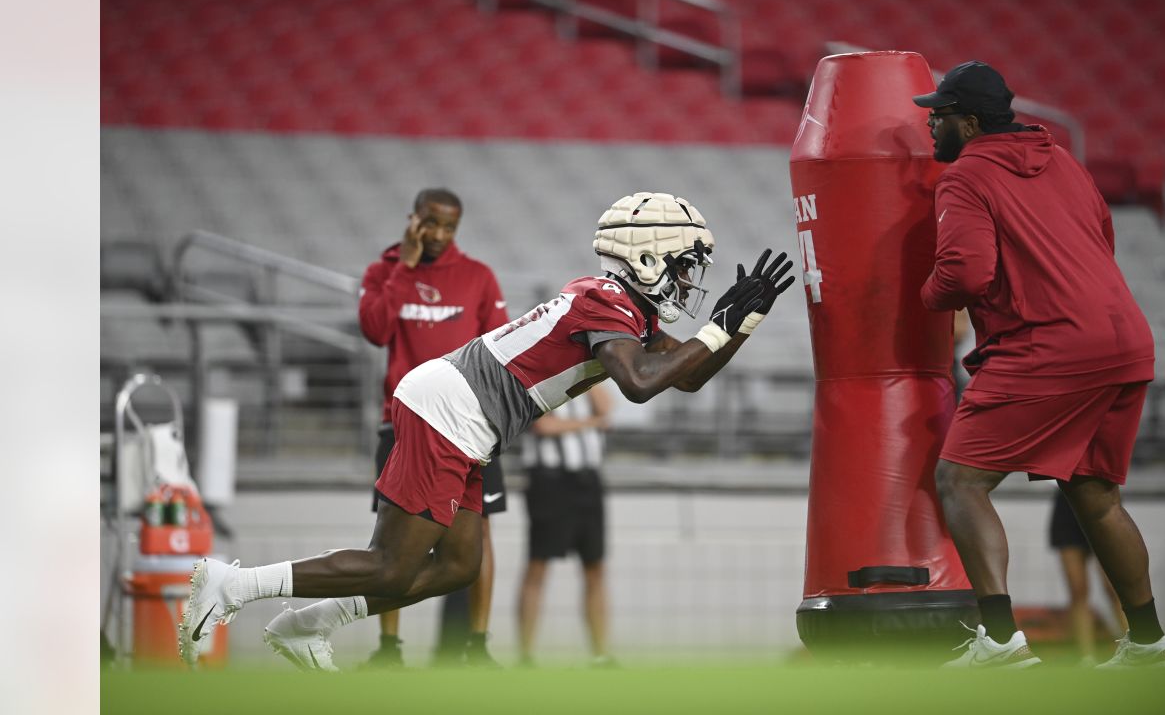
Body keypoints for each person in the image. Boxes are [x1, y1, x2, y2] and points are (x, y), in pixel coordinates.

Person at [176, 191, 794, 671]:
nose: (691, 279)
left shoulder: (621, 302)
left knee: (458, 567)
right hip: (449, 408)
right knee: (392, 566)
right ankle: (232, 585)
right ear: (648, 257)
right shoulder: (608, 299)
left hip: (469, 421)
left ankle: (306, 625)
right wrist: (716, 328)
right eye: (686, 265)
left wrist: (740, 327)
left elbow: (683, 376)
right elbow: (639, 381)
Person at [911, 61, 1165, 669]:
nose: (931, 125)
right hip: (1124, 338)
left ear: (970, 121)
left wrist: (919, 296)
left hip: (1048, 344)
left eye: (940, 115)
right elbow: (1100, 242)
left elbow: (964, 274)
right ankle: (1148, 643)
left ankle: (1001, 641)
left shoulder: (965, 177)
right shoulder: (1064, 160)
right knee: (1095, 495)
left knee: (959, 480)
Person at [356, 187, 510, 668]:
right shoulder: (383, 272)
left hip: (471, 428)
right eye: (432, 224)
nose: (440, 235)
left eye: (449, 226)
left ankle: (477, 648)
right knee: (391, 540)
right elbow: (376, 330)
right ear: (414, 220)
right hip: (402, 424)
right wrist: (405, 265)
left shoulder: (478, 277)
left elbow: (499, 351)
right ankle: (388, 652)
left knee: (479, 536)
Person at [516, 385, 614, 667]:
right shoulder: (540, 382)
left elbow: (606, 407)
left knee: (595, 566)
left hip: (588, 481)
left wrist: (593, 378)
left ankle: (600, 655)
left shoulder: (588, 378)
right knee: (538, 565)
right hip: (550, 481)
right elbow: (544, 426)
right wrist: (590, 423)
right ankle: (526, 655)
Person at [1049, 489, 1127, 666]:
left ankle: (1136, 648)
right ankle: (1086, 657)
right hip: (1067, 505)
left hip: (1104, 498)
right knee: (1078, 590)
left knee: (1115, 589)